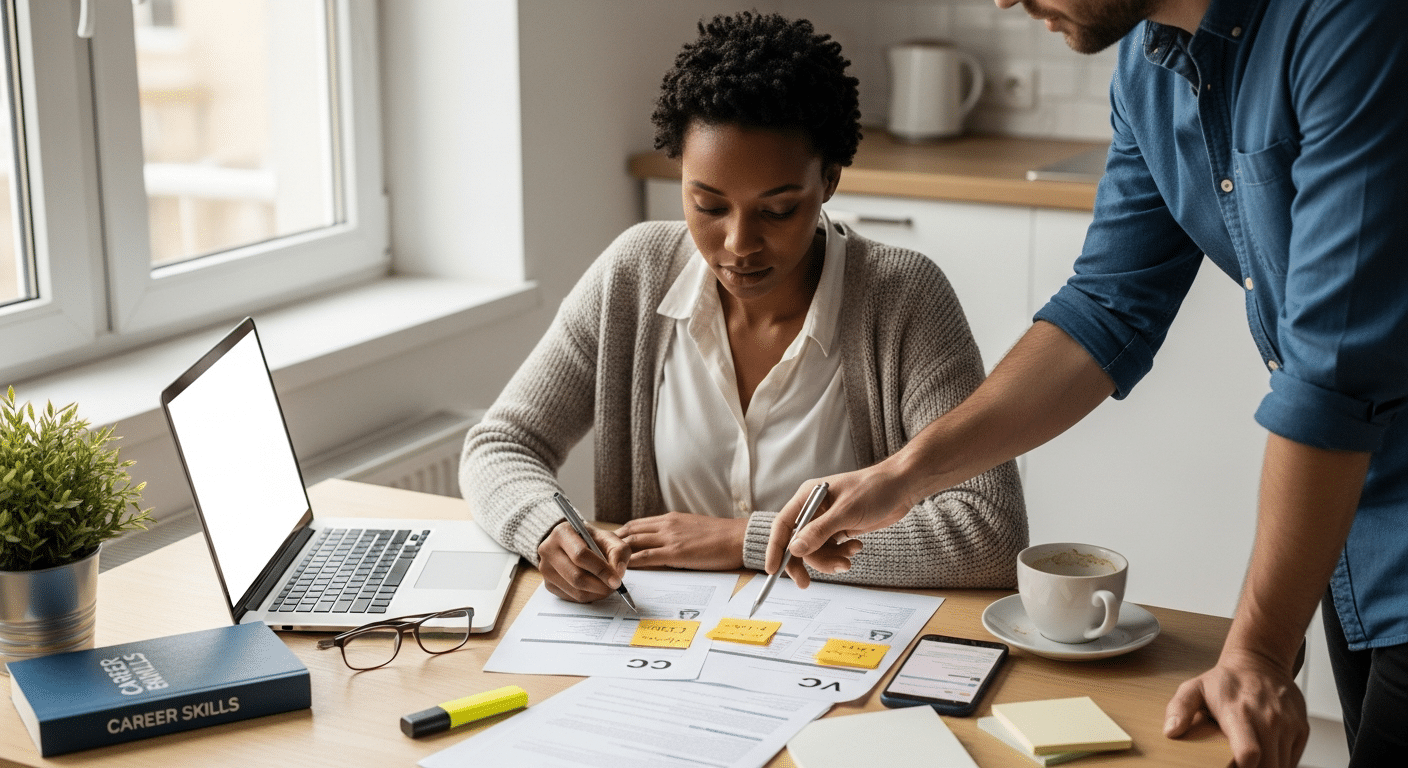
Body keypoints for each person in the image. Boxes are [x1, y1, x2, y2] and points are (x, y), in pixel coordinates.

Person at [765, 1, 1407, 766]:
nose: (1004, 0)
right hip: (1355, 528)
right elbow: (1106, 309)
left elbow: (1330, 374)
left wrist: (1259, 651)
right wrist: (902, 477)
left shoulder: (1352, 23)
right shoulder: (1149, 65)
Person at [461, 12, 1026, 606]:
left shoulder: (904, 298)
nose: (738, 244)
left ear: (829, 180)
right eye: (708, 205)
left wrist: (743, 540)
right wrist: (547, 528)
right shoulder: (634, 275)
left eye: (777, 211)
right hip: (661, 636)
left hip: (838, 640)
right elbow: (501, 445)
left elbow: (989, 531)